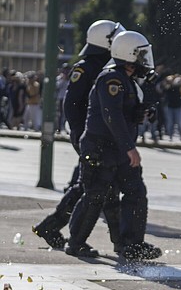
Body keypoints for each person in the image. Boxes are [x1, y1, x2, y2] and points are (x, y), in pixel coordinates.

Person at [65, 30, 162, 261]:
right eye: (140, 55)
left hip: (117, 149)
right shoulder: (111, 78)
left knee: (135, 192)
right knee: (95, 196)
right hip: (101, 148)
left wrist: (142, 111)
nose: (144, 59)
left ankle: (132, 244)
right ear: (128, 54)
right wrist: (130, 147)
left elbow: (124, 112)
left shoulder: (125, 79)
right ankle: (75, 243)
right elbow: (111, 116)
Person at [32, 20, 126, 250]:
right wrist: (83, 135)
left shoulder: (106, 65)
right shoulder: (87, 67)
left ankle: (120, 241)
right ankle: (52, 227)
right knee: (93, 185)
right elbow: (71, 105)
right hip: (90, 135)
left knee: (106, 185)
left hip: (98, 135)